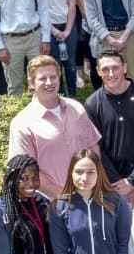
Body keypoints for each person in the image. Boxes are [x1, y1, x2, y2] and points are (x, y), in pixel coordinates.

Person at [8, 56, 101, 198]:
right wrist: (64, 197)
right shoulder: (22, 123)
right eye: (42, 79)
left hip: (90, 195)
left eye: (53, 77)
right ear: (31, 83)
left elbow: (93, 146)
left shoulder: (76, 107)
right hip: (53, 203)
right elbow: (28, 171)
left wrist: (95, 183)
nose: (49, 82)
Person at [84, 50, 134, 205]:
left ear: (124, 68)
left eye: (115, 67)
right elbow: (96, 149)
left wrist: (132, 181)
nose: (111, 73)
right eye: (105, 69)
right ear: (98, 71)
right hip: (112, 186)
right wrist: (119, 182)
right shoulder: (92, 104)